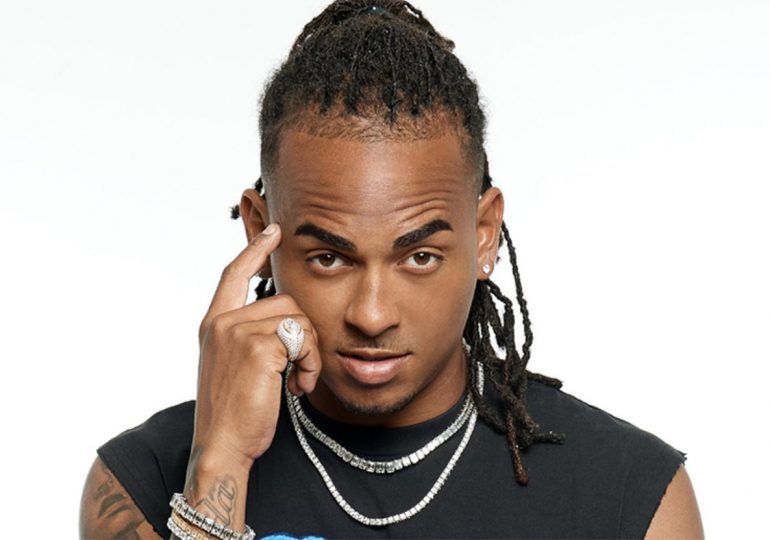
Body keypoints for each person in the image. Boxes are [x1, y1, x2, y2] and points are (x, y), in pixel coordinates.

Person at [79, 1, 704, 538]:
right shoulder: (140, 482)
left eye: (419, 257)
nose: (372, 315)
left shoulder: (632, 499)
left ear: (484, 235)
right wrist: (219, 465)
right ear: (259, 232)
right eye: (329, 257)